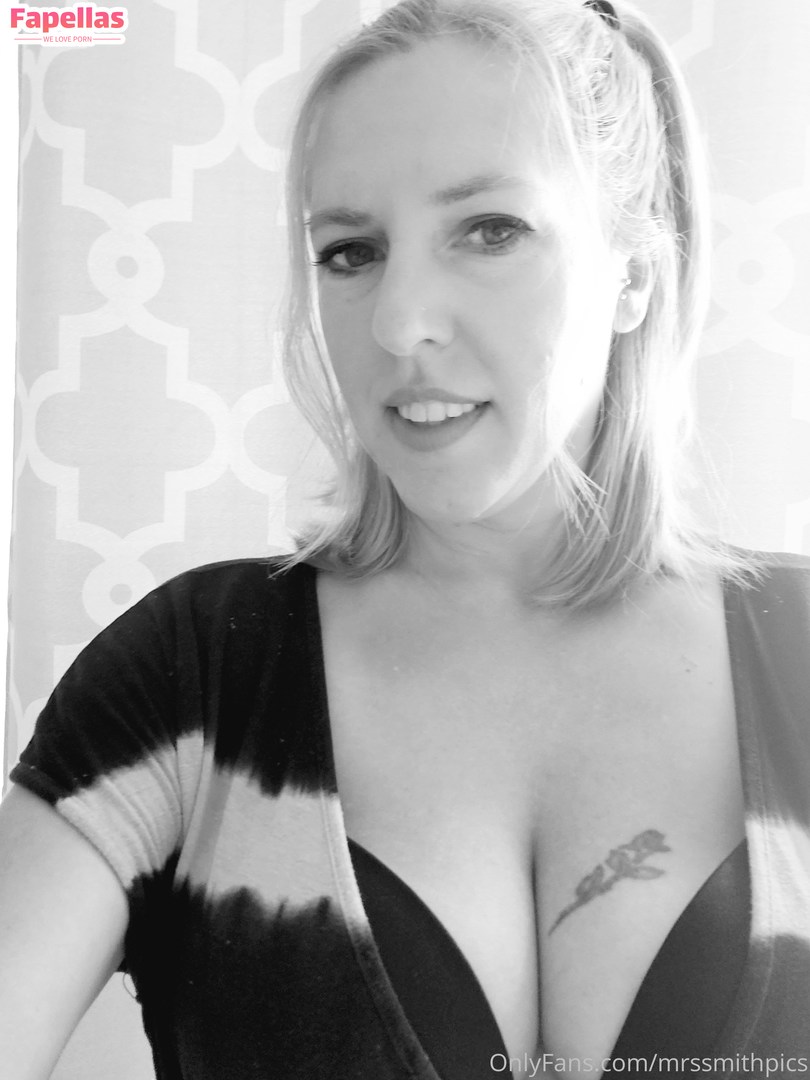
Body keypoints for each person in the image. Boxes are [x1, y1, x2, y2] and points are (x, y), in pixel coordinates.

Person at [1, 0, 809, 1077]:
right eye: (351, 252)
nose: (397, 321)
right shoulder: (192, 678)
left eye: (490, 231)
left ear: (634, 274)